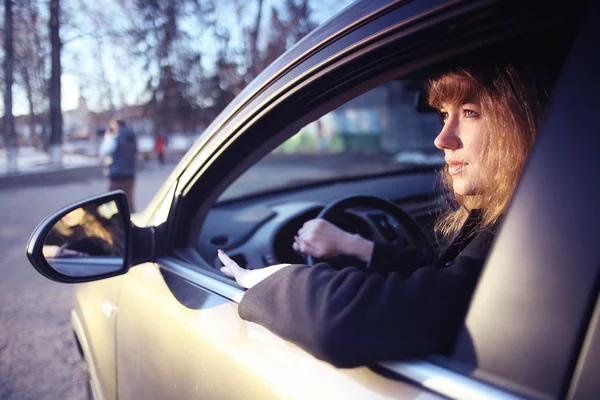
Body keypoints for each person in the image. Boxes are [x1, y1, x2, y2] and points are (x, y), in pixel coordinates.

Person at [217, 63, 547, 368]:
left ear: (520, 122)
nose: (442, 138)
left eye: (471, 112)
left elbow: (343, 323)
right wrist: (355, 245)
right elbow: (439, 278)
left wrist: (267, 280)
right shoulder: (504, 217)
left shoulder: (526, 239)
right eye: (444, 115)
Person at [99, 119, 138, 212]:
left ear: (116, 125)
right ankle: (131, 223)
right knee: (129, 202)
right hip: (130, 175)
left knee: (113, 203)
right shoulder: (132, 137)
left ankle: (116, 224)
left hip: (116, 177)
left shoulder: (114, 138)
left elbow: (103, 152)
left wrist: (107, 137)